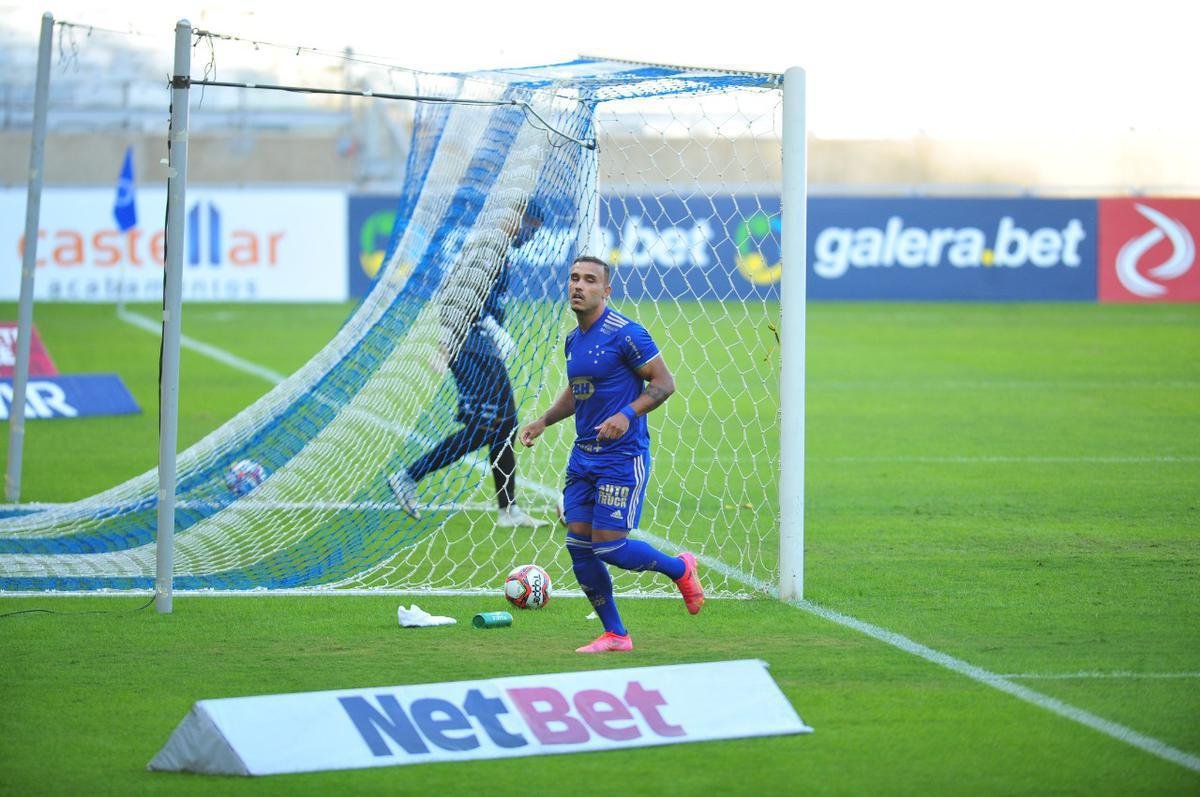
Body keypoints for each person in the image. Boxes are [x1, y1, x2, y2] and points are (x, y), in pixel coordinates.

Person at [519, 255, 704, 653]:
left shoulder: (628, 334)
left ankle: (681, 568)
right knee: (578, 546)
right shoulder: (574, 340)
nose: (578, 286)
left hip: (622, 456)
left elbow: (664, 384)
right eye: (573, 278)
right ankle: (616, 634)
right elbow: (578, 391)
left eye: (589, 280)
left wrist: (626, 413)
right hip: (583, 456)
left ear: (606, 290)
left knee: (610, 547)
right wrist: (544, 421)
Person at [388, 201, 548, 529]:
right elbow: (453, 295)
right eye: (529, 224)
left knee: (503, 424)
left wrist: (494, 332)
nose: (530, 233)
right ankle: (408, 476)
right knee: (490, 425)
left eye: (536, 228)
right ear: (513, 217)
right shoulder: (485, 247)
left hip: (481, 346)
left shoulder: (500, 251)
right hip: (469, 345)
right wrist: (450, 342)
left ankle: (508, 510)